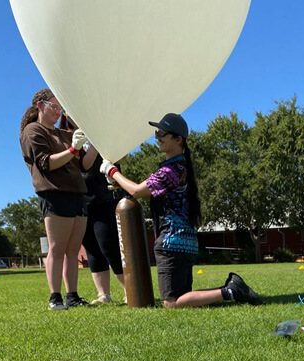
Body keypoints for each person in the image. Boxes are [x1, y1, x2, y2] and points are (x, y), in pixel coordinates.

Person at [100, 113, 262, 308]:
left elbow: (137, 190)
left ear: (178, 139)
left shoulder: (170, 171)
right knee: (183, 296)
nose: (157, 137)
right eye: (156, 132)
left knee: (171, 302)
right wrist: (116, 181)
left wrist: (112, 171)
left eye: (162, 133)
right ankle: (231, 288)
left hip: (171, 243)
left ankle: (231, 291)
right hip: (185, 243)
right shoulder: (180, 168)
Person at [20, 89, 94, 309]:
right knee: (57, 248)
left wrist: (97, 144)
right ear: (39, 106)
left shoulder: (64, 133)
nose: (58, 111)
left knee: (73, 249)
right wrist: (73, 148)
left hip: (78, 192)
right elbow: (46, 163)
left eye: (59, 107)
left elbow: (84, 165)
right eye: (54, 106)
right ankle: (55, 298)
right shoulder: (33, 131)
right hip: (54, 192)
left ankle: (72, 296)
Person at [80, 144, 126, 304]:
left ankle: (130, 290)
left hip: (107, 197)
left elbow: (122, 157)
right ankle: (103, 295)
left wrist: (96, 143)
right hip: (83, 199)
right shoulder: (68, 135)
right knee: (91, 247)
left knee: (109, 244)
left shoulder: (103, 132)